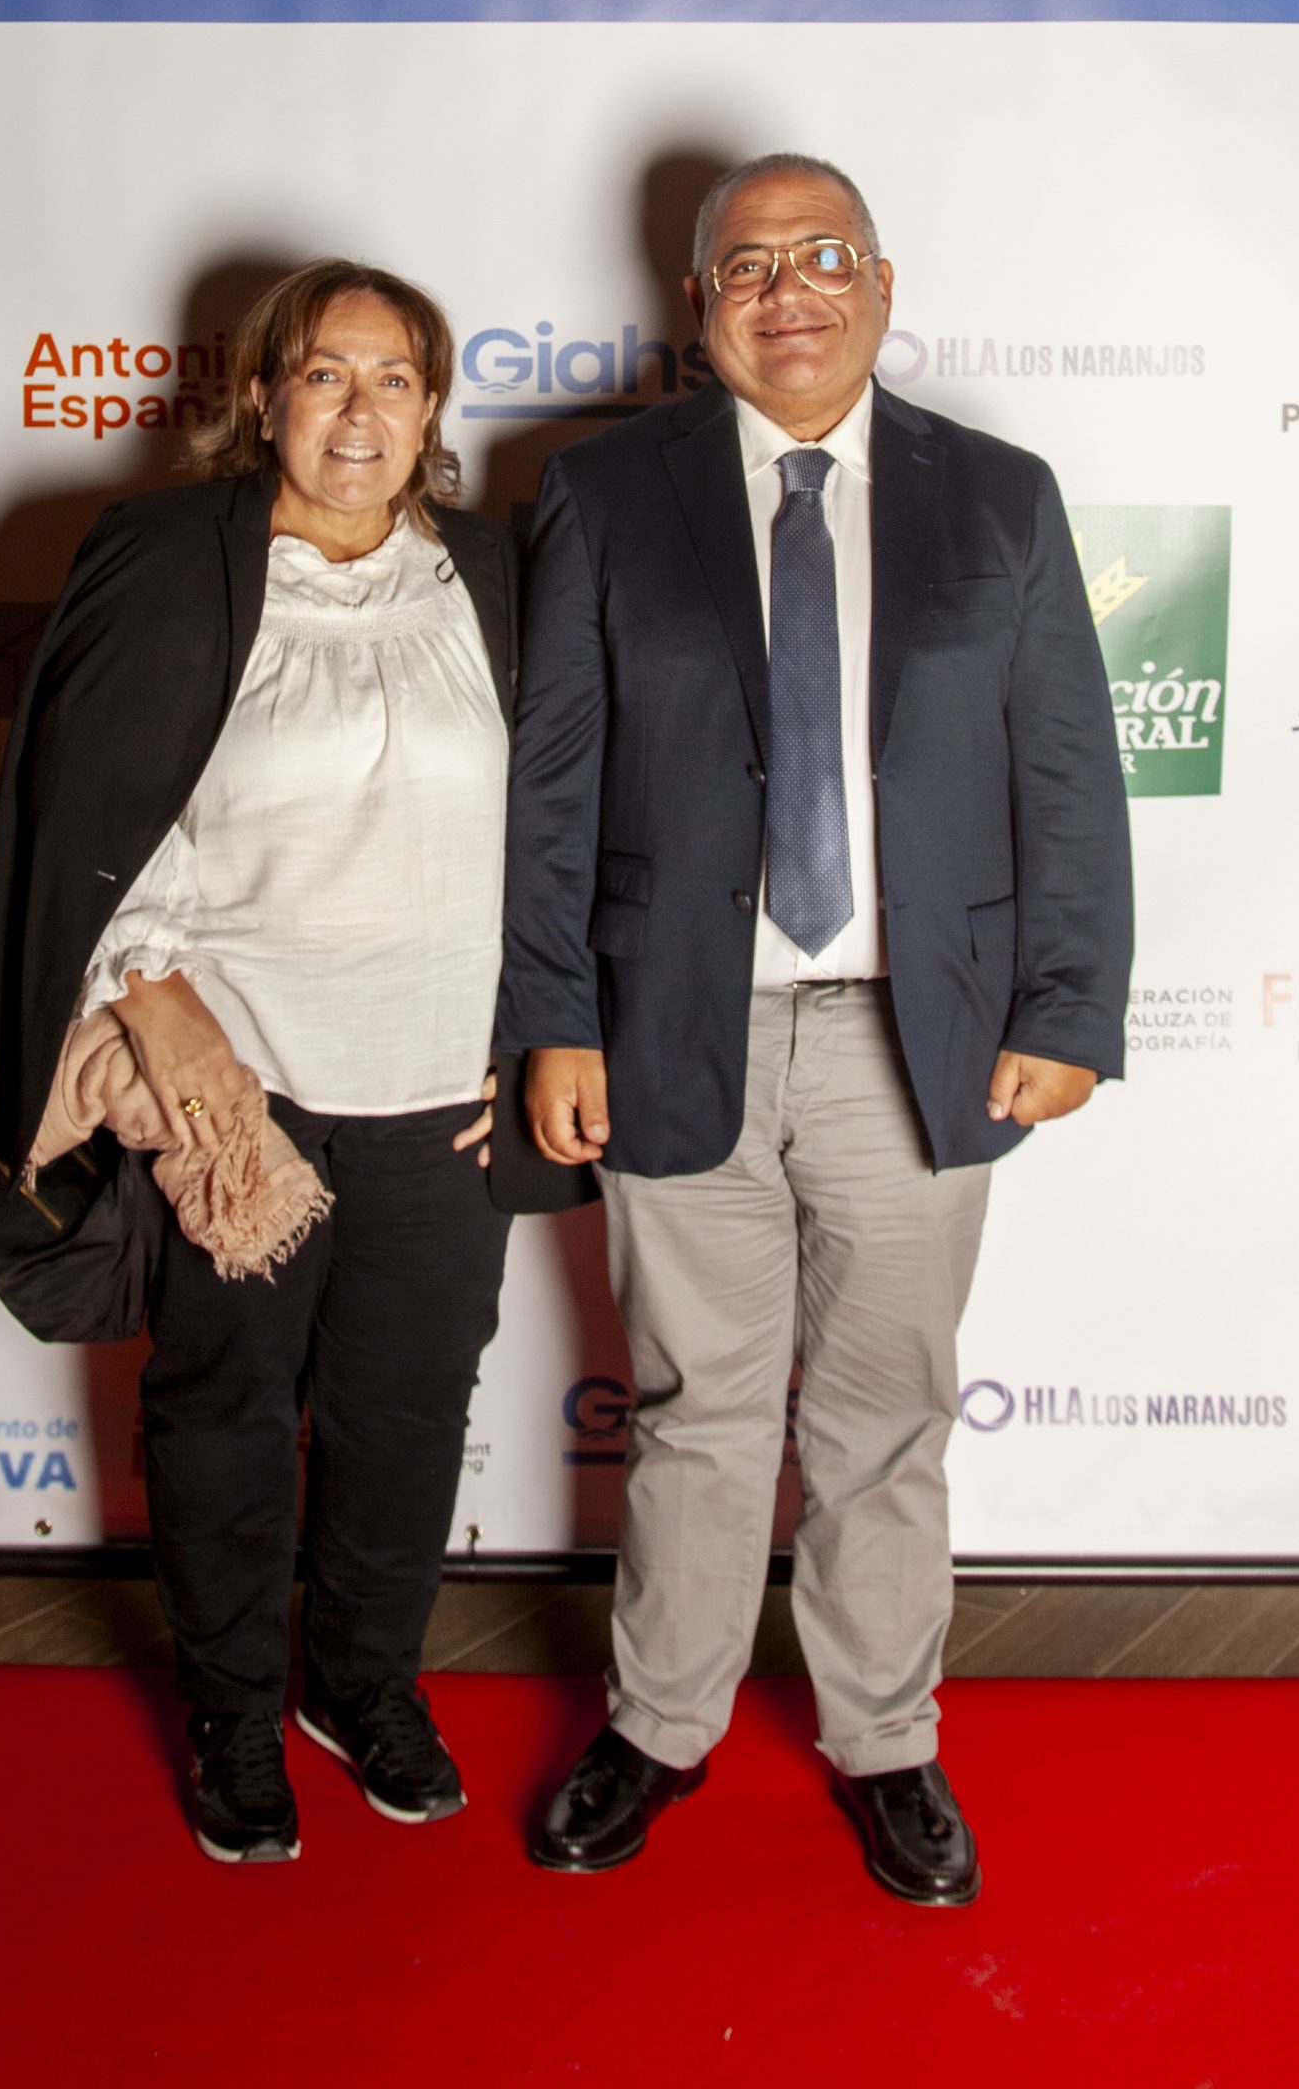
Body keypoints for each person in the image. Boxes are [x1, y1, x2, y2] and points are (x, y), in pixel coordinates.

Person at [500, 155, 1132, 1901]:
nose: (788, 291)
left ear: (881, 283)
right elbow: (552, 786)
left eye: (823, 256)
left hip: (919, 1042)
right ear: (698, 305)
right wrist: (552, 1015)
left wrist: (1068, 1004)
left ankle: (886, 1739)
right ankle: (658, 1728)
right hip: (665, 1024)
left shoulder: (997, 496)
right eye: (748, 266)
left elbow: (1065, 775)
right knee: (695, 1412)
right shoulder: (600, 491)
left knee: (884, 1421)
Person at [0, 258, 525, 1866]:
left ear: (431, 406)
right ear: (265, 394)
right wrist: (155, 1008)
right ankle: (228, 1712)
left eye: (393, 378)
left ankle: (363, 1684)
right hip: (240, 1083)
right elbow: (88, 807)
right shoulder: (166, 556)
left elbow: (572, 812)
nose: (357, 410)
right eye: (324, 373)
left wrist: (550, 1017)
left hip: (444, 1090)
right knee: (220, 1409)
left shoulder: (495, 570)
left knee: (406, 1413)